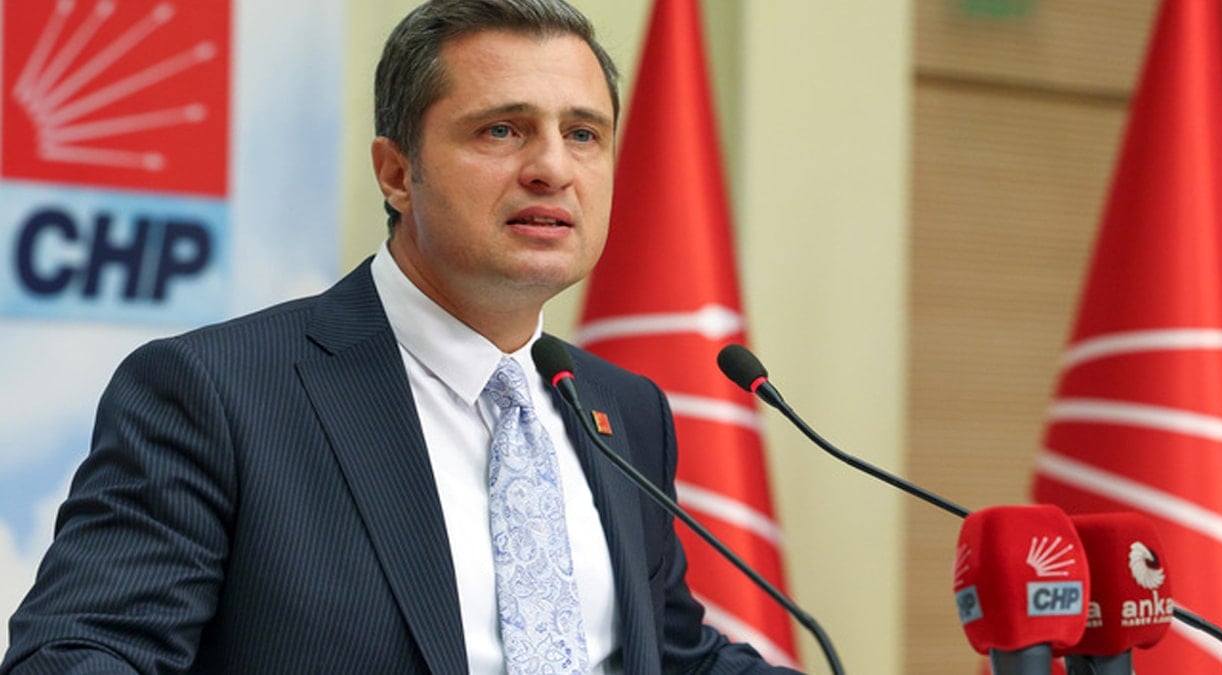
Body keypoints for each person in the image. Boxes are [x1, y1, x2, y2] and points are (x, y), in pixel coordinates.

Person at [1, 1, 802, 673]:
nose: (553, 168)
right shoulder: (216, 392)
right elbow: (81, 652)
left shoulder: (622, 408)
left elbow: (670, 652)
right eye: (502, 130)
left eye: (584, 134)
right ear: (396, 173)